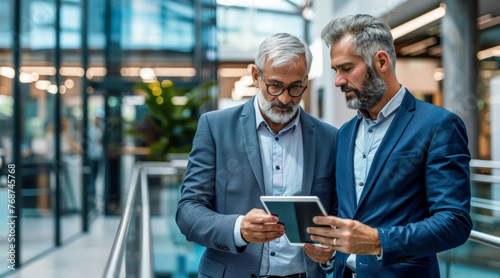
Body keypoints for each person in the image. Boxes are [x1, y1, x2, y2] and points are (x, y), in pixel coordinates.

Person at [303, 14, 473, 278]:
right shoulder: (345, 134)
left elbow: (454, 222)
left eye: (346, 68)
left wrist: (378, 241)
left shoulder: (438, 125)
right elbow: (346, 211)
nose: (338, 81)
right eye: (335, 70)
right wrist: (329, 249)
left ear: (381, 61)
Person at [176, 32, 338, 278]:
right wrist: (238, 228)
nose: (284, 99)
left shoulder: (330, 139)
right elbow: (188, 211)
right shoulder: (215, 127)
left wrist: (330, 253)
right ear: (255, 75)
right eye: (275, 86)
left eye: (296, 87)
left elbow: (338, 214)